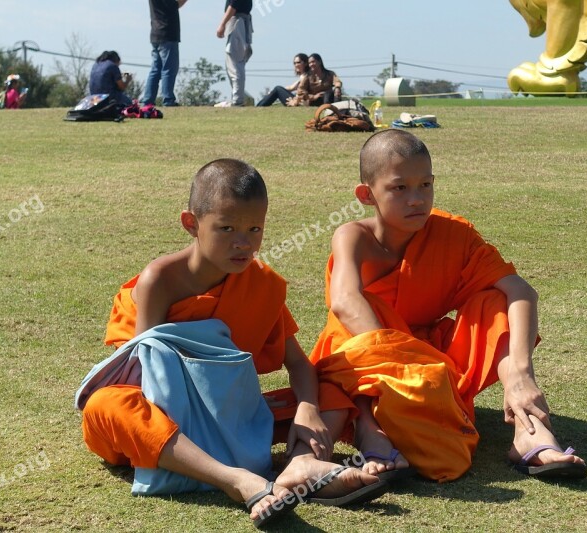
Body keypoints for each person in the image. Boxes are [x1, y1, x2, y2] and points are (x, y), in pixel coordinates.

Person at [75, 159, 386, 528]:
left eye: (255, 229)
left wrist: (306, 409)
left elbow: (299, 364)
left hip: (231, 417)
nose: (244, 243)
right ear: (191, 224)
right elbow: (149, 374)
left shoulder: (261, 285)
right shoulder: (160, 279)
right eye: (226, 228)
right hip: (168, 419)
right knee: (107, 404)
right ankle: (236, 480)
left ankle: (301, 464)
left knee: (330, 392)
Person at [309, 130, 587, 483]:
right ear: (367, 195)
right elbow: (346, 302)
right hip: (385, 359)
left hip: (438, 360)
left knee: (495, 301)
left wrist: (520, 373)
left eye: (425, 185)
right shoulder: (353, 236)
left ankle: (528, 429)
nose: (416, 199)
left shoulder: (454, 234)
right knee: (345, 328)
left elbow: (521, 292)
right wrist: (415, 368)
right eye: (399, 188)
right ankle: (370, 425)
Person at [141, 0, 187, 107]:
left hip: (155, 33)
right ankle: (168, 99)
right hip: (167, 33)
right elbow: (175, 4)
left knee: (155, 70)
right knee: (169, 69)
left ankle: (147, 100)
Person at [216, 0, 253, 107]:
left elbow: (234, 5)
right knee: (237, 63)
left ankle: (237, 100)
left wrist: (222, 24)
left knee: (235, 63)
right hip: (243, 21)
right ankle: (237, 98)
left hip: (237, 20)